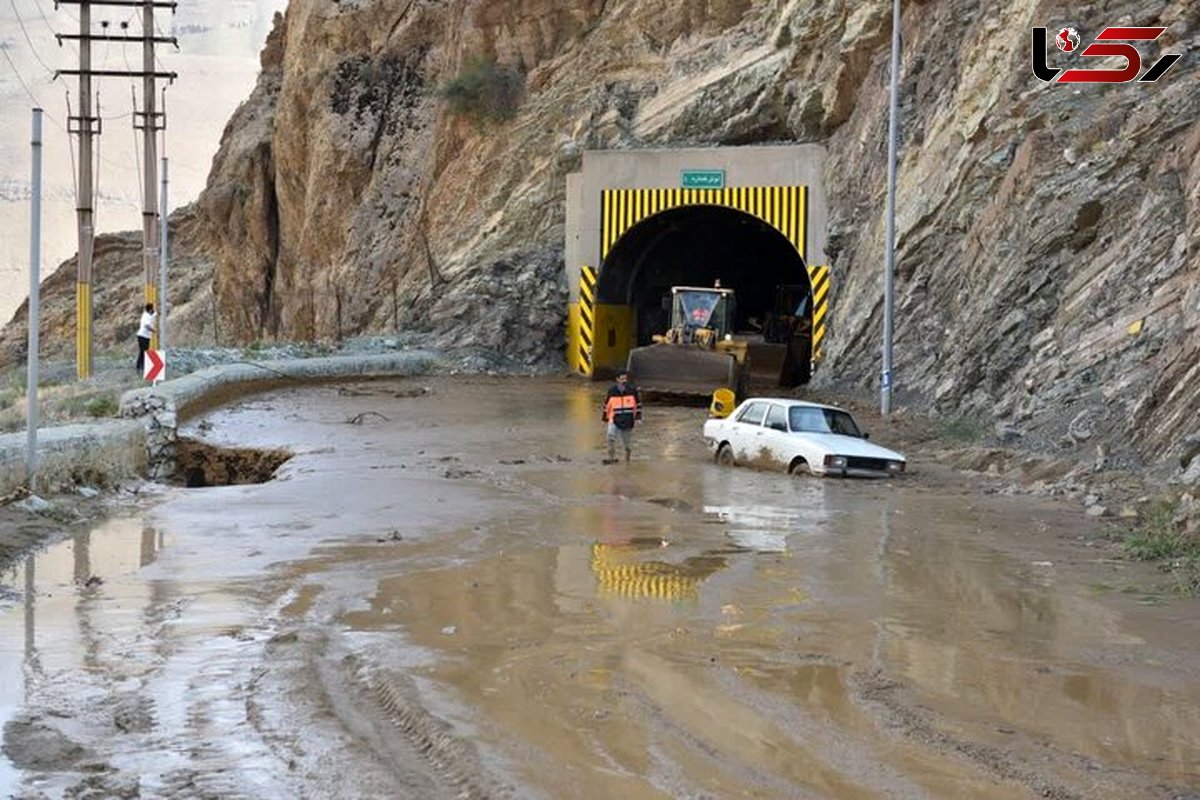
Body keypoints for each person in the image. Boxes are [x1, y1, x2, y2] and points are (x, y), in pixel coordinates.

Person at [601, 371, 642, 464]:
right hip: (614, 418)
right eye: (622, 379)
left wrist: (638, 417)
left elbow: (638, 404)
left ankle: (627, 460)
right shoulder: (612, 391)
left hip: (628, 419)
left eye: (625, 379)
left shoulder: (632, 390)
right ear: (617, 379)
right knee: (610, 437)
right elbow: (606, 405)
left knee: (626, 443)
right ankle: (611, 458)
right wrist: (605, 418)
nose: (624, 381)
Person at [136, 303, 155, 372]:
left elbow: (153, 315)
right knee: (144, 352)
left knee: (142, 351)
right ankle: (141, 366)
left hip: (143, 336)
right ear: (150, 309)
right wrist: (153, 331)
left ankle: (139, 366)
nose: (153, 310)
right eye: (152, 308)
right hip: (143, 336)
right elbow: (147, 326)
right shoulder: (147, 316)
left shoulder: (146, 315)